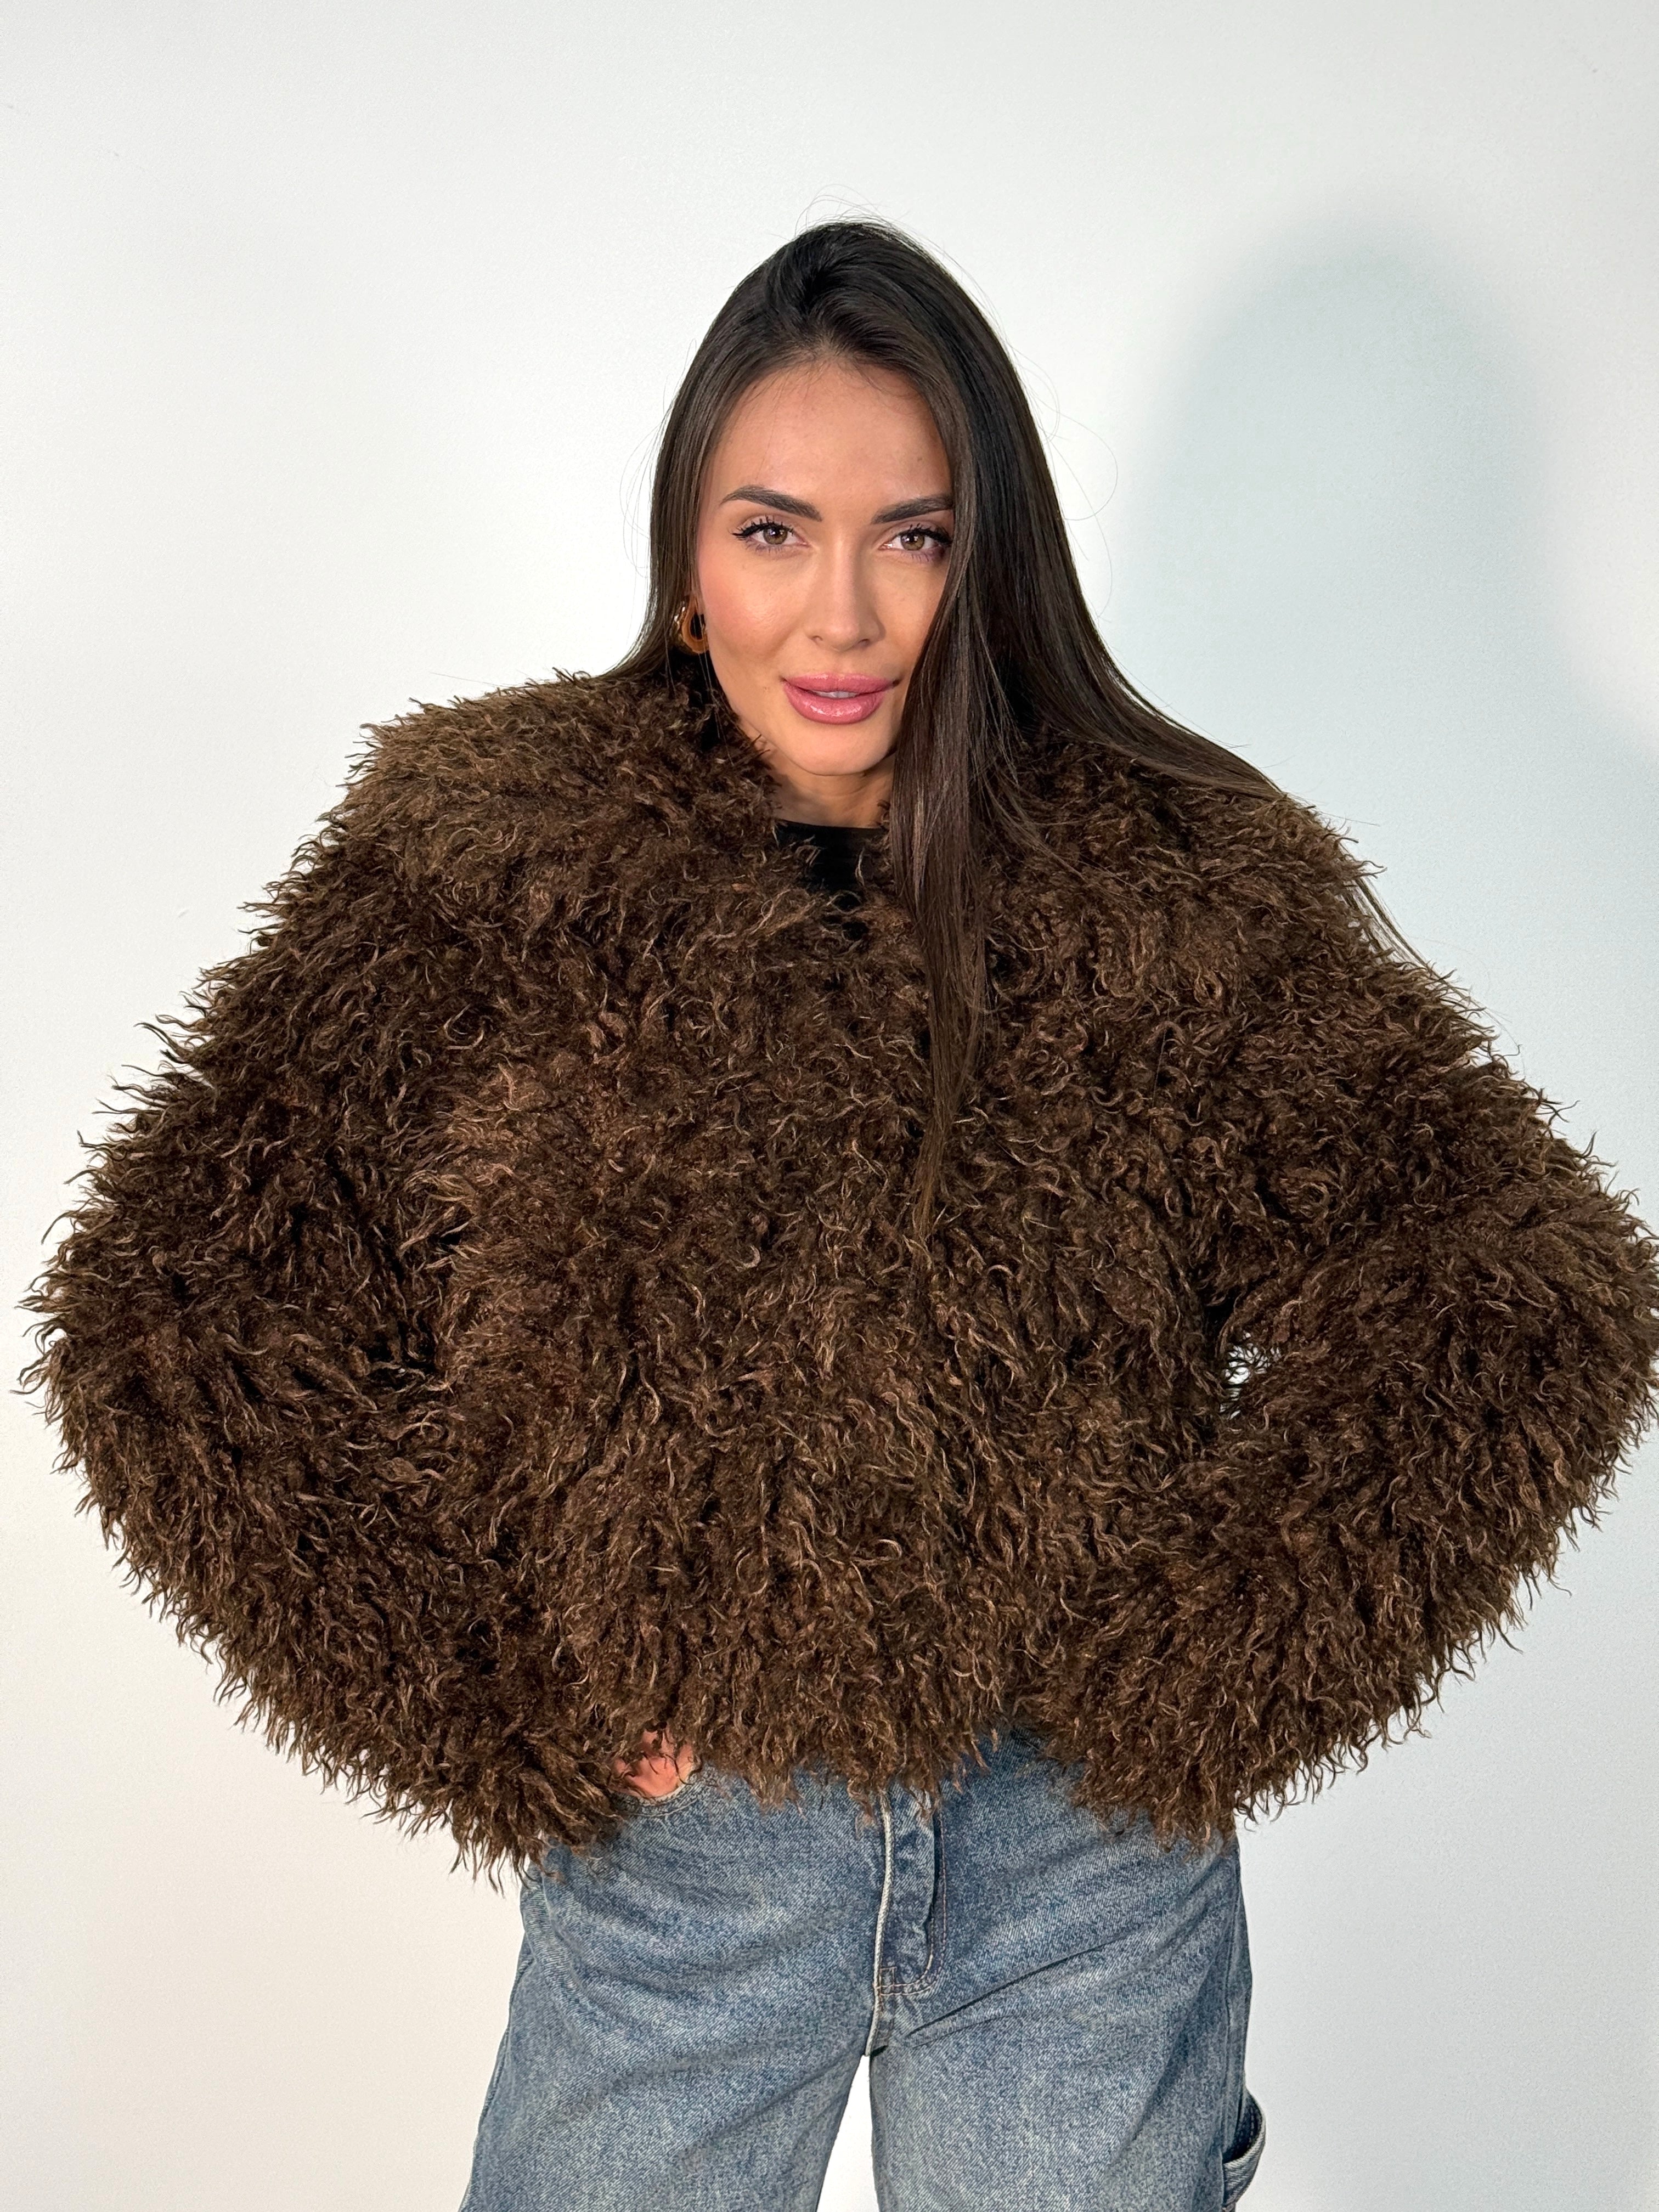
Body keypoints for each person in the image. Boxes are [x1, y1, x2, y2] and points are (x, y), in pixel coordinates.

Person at [27, 222, 1658, 2212]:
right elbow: (173, 1310)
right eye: (774, 531)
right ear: (689, 569)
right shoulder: (489, 869)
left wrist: (1192, 1674)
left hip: (1083, 1865)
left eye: (916, 536)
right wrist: (489, 1695)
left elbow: (1518, 1296)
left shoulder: (1181, 892)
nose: (844, 610)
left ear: (994, 564)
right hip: (685, 1855)